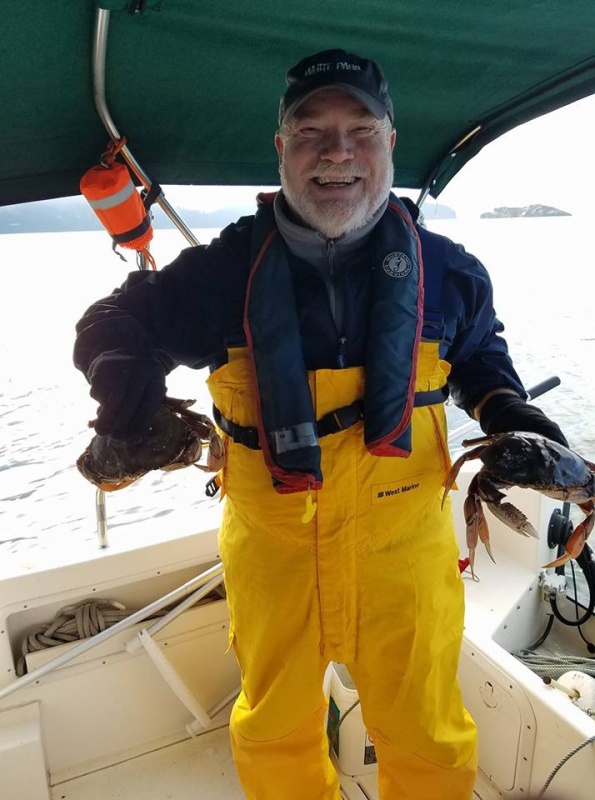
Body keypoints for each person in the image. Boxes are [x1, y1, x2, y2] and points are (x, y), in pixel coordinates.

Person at [73, 49, 568, 800]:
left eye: (359, 129)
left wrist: (509, 413)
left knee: (429, 733)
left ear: (389, 143)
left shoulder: (451, 272)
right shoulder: (219, 274)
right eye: (311, 132)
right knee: (274, 732)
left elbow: (479, 356)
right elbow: (113, 321)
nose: (336, 151)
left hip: (406, 552)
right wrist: (125, 401)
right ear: (281, 149)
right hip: (273, 552)